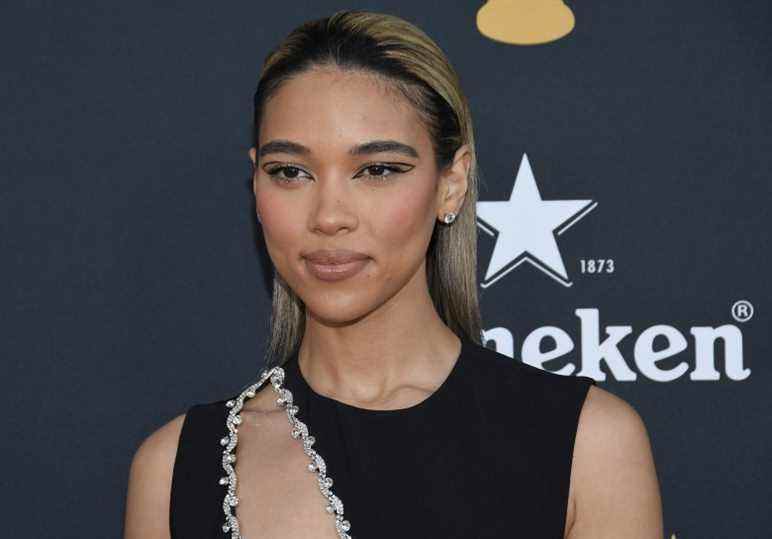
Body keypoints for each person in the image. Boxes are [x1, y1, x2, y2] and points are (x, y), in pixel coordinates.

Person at [123, 9, 663, 539]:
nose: (329, 215)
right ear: (256, 184)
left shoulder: (587, 445)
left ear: (451, 183)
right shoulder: (173, 468)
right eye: (291, 171)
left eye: (378, 170)